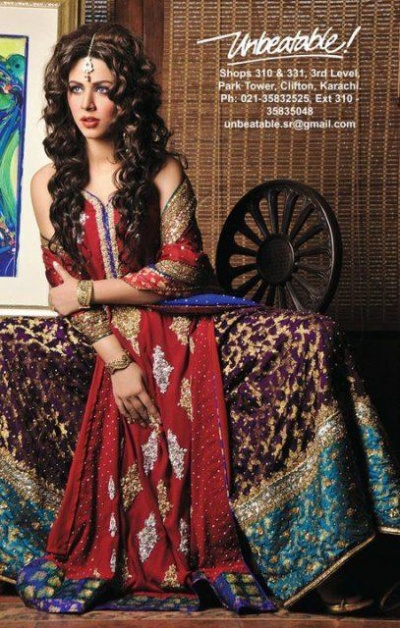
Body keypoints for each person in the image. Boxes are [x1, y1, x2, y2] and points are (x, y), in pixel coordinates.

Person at [1, 21, 400, 615]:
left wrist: (91, 289)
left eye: (103, 88)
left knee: (311, 336)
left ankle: (319, 563)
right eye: (76, 89)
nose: (88, 103)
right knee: (5, 341)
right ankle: (18, 546)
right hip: (96, 334)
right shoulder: (46, 184)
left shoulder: (161, 171)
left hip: (184, 316)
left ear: (127, 97)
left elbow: (181, 270)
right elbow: (61, 291)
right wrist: (117, 360)